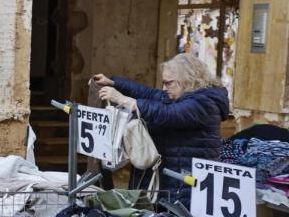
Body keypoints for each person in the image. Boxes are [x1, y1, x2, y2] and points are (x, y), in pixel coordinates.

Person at [92, 53, 230, 204]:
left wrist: (124, 100)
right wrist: (113, 83)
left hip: (188, 184)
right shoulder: (183, 95)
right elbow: (149, 93)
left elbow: (167, 114)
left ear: (186, 80)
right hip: (177, 180)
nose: (164, 88)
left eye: (168, 83)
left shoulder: (204, 103)